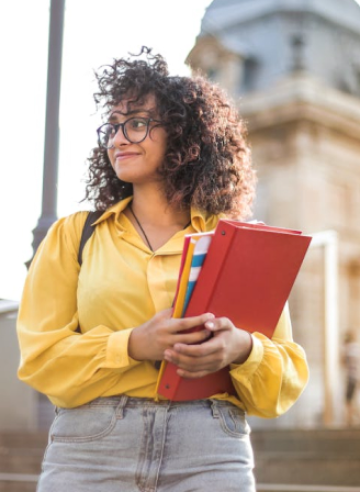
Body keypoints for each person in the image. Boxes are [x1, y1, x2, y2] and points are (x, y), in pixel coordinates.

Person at [17, 47, 309, 492]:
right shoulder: (75, 235)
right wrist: (132, 344)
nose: (117, 138)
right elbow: (40, 359)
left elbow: (284, 378)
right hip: (91, 448)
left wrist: (242, 349)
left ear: (184, 133)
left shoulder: (237, 242)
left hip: (210, 448)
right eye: (112, 127)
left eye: (136, 123)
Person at [342, 331, 360, 426]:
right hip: (357, 376)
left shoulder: (349, 349)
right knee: (355, 399)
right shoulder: (357, 348)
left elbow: (344, 361)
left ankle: (350, 419)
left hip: (351, 377)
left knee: (349, 400)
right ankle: (353, 418)